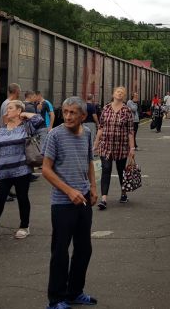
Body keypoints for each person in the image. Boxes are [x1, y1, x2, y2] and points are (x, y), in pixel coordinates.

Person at [42, 97, 98, 308]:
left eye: (73, 113)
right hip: (62, 202)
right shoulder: (55, 135)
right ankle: (56, 298)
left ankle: (75, 292)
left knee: (84, 249)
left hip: (83, 199)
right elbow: (46, 169)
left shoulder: (88, 133)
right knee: (60, 251)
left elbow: (89, 162)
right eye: (65, 112)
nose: (67, 116)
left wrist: (93, 188)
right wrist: (69, 191)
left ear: (83, 116)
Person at [0, 101, 43, 243]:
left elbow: (39, 119)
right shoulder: (2, 129)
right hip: (3, 171)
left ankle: (24, 226)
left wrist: (24, 114)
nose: (7, 110)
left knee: (22, 198)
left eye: (11, 108)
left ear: (19, 110)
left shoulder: (26, 127)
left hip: (21, 170)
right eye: (7, 108)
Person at [94, 86, 135, 210]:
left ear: (124, 96)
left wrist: (132, 148)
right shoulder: (106, 108)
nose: (120, 94)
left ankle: (123, 194)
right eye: (118, 92)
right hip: (105, 146)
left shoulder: (127, 110)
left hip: (121, 147)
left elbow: (130, 131)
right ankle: (104, 199)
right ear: (113, 94)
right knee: (106, 169)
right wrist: (95, 144)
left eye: (122, 93)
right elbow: (101, 127)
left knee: (121, 170)